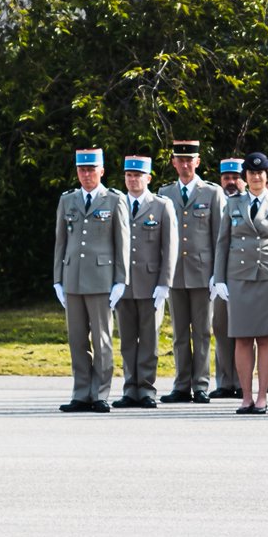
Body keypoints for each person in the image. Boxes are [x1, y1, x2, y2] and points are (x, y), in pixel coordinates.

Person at [213, 152, 268, 414]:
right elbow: (223, 243)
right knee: (242, 339)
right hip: (239, 279)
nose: (256, 178)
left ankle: (262, 397)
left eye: (260, 174)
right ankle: (246, 396)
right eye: (251, 174)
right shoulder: (233, 204)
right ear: (245, 177)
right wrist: (220, 279)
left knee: (267, 339)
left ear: (266, 176)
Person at [52, 148, 130, 413]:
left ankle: (100, 393)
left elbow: (122, 242)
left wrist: (121, 279)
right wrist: (57, 279)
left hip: (101, 278)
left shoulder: (114, 200)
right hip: (73, 277)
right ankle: (81, 392)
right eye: (82, 170)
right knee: (77, 339)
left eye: (91, 169)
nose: (86, 174)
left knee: (102, 339)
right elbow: (61, 241)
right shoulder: (68, 200)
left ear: (101, 171)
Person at [158, 141, 225, 404]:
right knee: (179, 333)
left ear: (197, 162)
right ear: (174, 162)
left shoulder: (211, 193)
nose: (185, 165)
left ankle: (201, 385)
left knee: (202, 331)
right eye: (180, 160)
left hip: (202, 272)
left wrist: (216, 275)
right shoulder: (164, 193)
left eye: (190, 160)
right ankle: (181, 384)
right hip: (175, 273)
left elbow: (220, 237)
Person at [112, 155, 177, 409]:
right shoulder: (117, 203)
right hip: (124, 282)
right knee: (127, 340)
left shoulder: (161, 205)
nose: (133, 179)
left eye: (138, 175)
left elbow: (169, 247)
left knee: (149, 340)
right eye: (129, 175)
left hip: (151, 283)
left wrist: (165, 282)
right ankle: (130, 388)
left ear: (148, 178)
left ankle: (147, 389)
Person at [209, 157, 244, 399]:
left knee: (243, 330)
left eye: (235, 178)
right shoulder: (217, 202)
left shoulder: (247, 204)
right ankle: (224, 380)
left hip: (244, 276)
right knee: (221, 329)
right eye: (226, 178)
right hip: (218, 276)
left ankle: (242, 382)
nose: (231, 182)